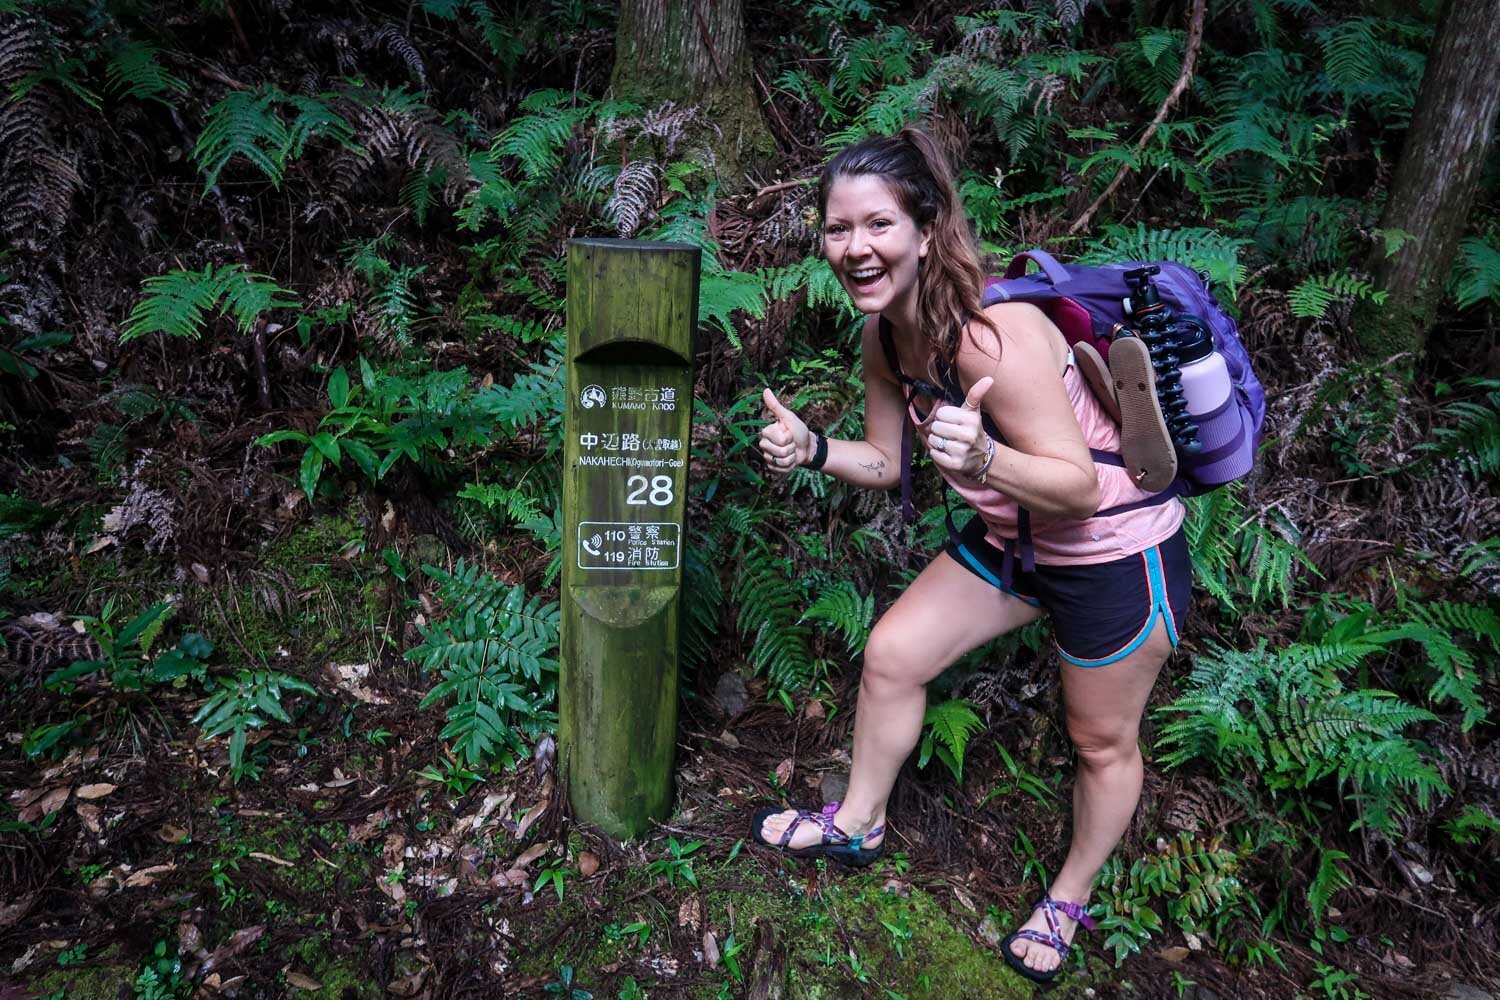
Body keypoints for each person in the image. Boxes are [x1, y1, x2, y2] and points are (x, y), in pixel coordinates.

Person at [749, 126, 1192, 984]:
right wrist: (812, 449)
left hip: (1112, 551)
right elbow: (884, 463)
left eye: (877, 225)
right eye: (837, 230)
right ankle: (859, 822)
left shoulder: (992, 335)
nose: (855, 248)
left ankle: (1069, 897)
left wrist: (984, 460)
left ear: (925, 227)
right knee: (892, 656)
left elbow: (1079, 489)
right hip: (1014, 540)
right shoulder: (884, 339)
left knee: (1100, 742)